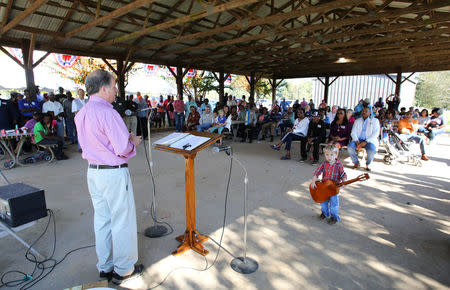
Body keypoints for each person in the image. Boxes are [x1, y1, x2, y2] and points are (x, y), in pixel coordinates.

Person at [74, 69, 144, 285]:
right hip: (113, 173)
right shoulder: (108, 112)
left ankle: (105, 266)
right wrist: (133, 142)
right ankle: (123, 269)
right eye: (114, 87)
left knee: (102, 220)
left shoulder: (82, 113)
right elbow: (122, 147)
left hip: (93, 172)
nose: (116, 91)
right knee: (122, 220)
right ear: (103, 88)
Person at [310, 144, 347, 225]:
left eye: (331, 154)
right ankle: (324, 213)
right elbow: (317, 172)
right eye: (327, 154)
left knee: (334, 204)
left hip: (334, 188)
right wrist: (313, 181)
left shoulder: (338, 164)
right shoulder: (324, 164)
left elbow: (343, 174)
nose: (329, 157)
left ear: (336, 155)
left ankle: (334, 217)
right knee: (323, 202)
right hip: (324, 187)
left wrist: (344, 181)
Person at [348, 107, 380, 171]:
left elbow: (375, 133)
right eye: (363, 111)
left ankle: (368, 164)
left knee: (372, 149)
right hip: (358, 139)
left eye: (366, 111)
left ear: (370, 112)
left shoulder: (375, 121)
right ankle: (356, 162)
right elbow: (353, 132)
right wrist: (357, 141)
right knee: (350, 147)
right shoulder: (357, 121)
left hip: (369, 141)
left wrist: (365, 142)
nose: (364, 112)